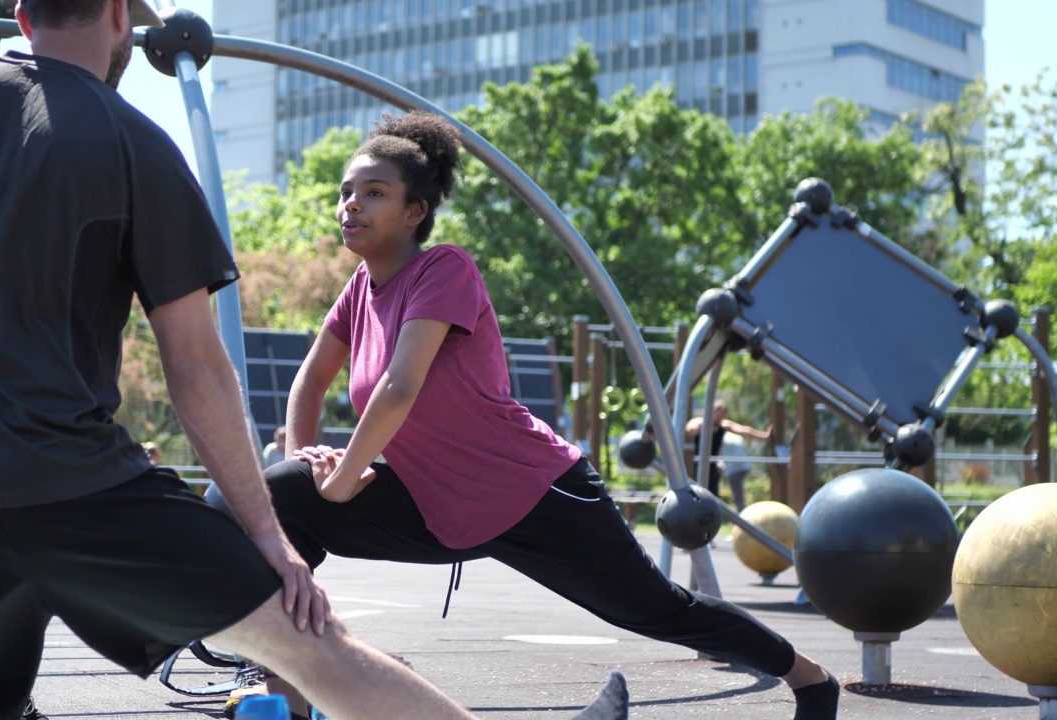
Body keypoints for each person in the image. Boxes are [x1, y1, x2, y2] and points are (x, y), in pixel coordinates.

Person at [0, 1, 629, 719]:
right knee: (307, 643)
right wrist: (268, 533)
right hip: (71, 487)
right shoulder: (129, 139)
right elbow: (196, 365)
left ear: (20, 16)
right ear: (119, 15)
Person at [255, 112, 839, 719]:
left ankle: (810, 680)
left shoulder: (442, 269)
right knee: (281, 500)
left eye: (374, 193)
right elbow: (311, 380)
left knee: (654, 609)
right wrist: (306, 460)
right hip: (435, 504)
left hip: (531, 490)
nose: (351, 204)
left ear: (414, 212)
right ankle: (289, 701)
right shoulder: (359, 289)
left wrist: (344, 476)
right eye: (346, 192)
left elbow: (401, 386)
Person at [685, 401, 771, 500]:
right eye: (718, 414)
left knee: (712, 491)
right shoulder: (700, 423)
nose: (720, 418)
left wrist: (764, 436)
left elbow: (744, 430)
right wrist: (696, 429)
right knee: (695, 490)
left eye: (722, 415)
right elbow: (690, 428)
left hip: (712, 464)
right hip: (697, 463)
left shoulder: (723, 425)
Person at [719, 434, 752, 513]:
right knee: (738, 495)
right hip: (744, 466)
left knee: (738, 497)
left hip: (733, 469)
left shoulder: (721, 437)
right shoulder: (736, 436)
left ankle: (741, 515)